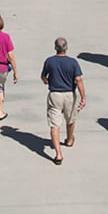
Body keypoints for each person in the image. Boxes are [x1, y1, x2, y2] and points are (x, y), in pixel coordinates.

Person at [41, 37, 86, 165]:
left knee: (55, 125)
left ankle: (58, 154)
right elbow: (78, 80)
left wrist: (46, 81)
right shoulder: (73, 62)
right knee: (70, 119)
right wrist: (83, 97)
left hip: (55, 95)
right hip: (69, 95)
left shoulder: (49, 61)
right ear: (67, 47)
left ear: (55, 48)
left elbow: (44, 77)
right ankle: (70, 139)